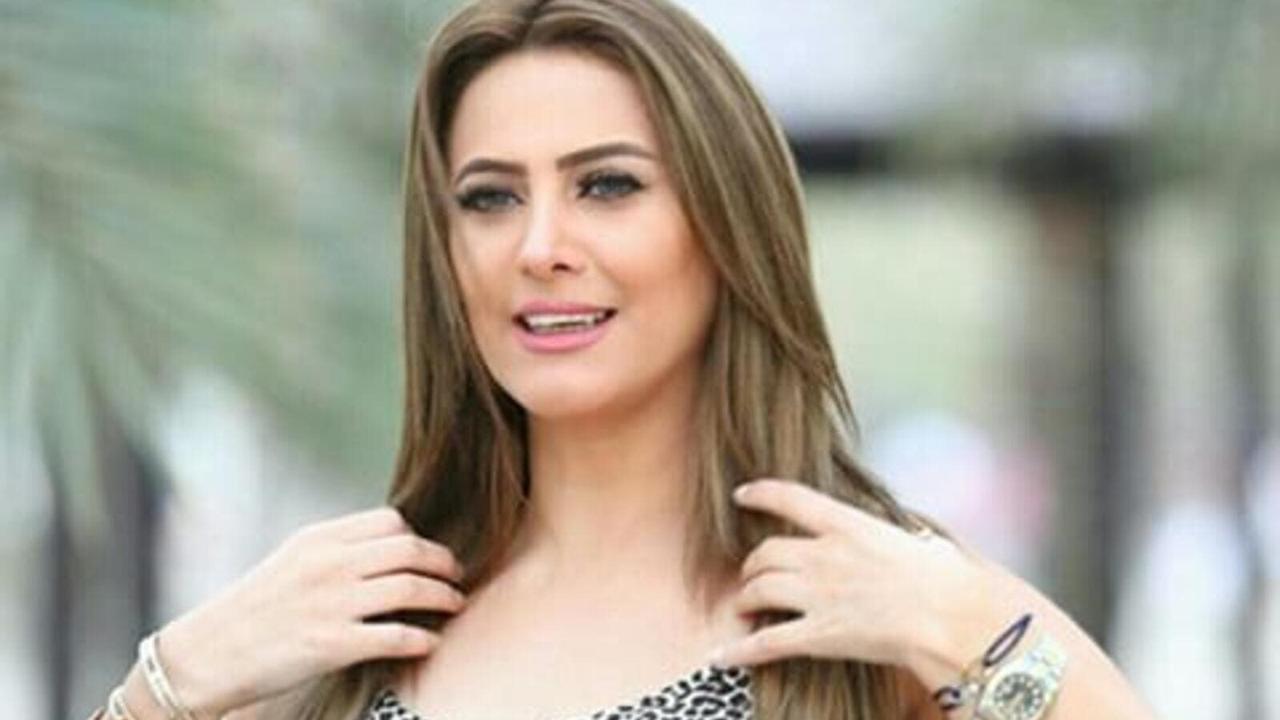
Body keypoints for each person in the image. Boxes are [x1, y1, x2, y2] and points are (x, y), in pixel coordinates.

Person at [91, 1, 1158, 719]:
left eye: (606, 185)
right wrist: (171, 684)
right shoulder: (357, 618)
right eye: (489, 198)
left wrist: (969, 627)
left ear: (725, 227)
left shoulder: (862, 602)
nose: (539, 246)